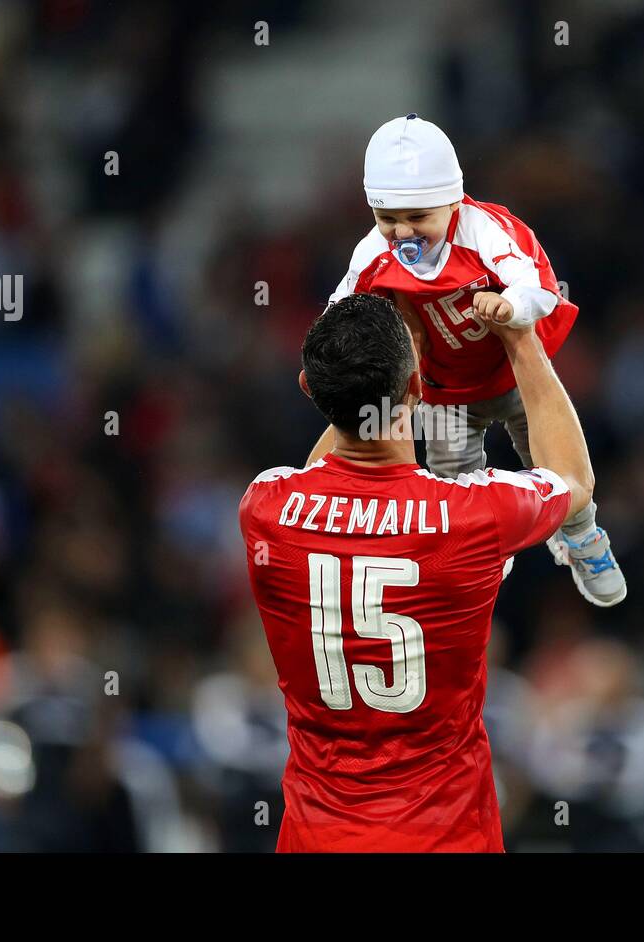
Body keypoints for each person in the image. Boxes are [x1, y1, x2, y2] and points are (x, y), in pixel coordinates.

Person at [239, 291, 595, 851]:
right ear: (415, 389)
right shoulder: (472, 515)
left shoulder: (265, 507)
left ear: (309, 390)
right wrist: (521, 338)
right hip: (446, 837)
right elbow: (573, 481)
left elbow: (326, 478)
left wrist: (388, 366)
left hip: (316, 836)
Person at [324, 113, 625, 607]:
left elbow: (541, 289)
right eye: (387, 218)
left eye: (417, 217)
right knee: (450, 491)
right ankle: (477, 564)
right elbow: (342, 309)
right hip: (446, 393)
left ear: (452, 198)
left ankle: (584, 538)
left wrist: (510, 305)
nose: (402, 233)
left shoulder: (485, 231)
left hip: (512, 378)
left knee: (554, 470)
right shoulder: (373, 250)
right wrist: (326, 354)